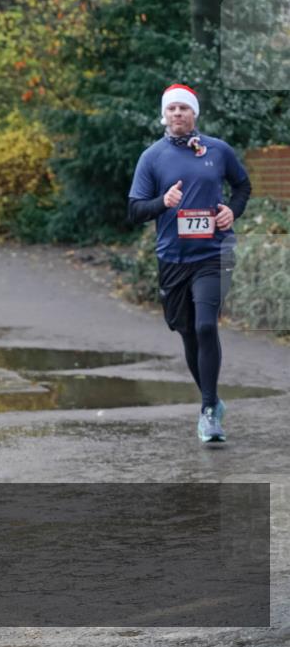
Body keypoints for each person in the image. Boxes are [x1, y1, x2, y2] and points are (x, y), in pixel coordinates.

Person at [128, 83, 252, 444]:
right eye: (172, 109)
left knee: (205, 326)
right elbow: (135, 210)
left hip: (212, 254)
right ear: (164, 116)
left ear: (194, 113)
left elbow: (242, 187)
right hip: (172, 258)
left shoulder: (218, 150)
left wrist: (233, 210)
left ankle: (209, 411)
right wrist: (163, 202)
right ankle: (210, 399)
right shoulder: (152, 157)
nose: (178, 114)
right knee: (185, 331)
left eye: (184, 108)